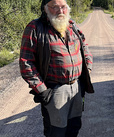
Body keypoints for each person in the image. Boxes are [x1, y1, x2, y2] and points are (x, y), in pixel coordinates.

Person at [19, 0, 94, 136]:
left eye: (63, 7)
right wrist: (42, 90)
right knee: (56, 132)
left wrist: (87, 68)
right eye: (55, 7)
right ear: (45, 9)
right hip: (55, 91)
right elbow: (26, 62)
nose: (60, 11)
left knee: (74, 128)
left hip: (77, 89)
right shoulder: (35, 28)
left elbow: (84, 46)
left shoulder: (71, 25)